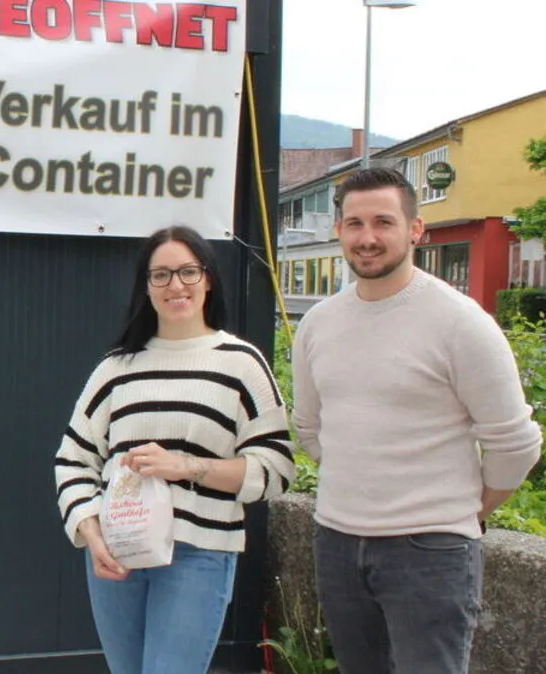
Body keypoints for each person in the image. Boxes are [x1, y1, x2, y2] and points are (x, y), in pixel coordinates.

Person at [291, 167, 543, 674]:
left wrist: (461, 513)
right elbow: (310, 428)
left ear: (415, 230)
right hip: (336, 542)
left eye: (383, 222)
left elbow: (515, 445)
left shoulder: (461, 322)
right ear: (338, 230)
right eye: (355, 223)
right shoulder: (318, 324)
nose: (367, 237)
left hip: (431, 551)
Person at [54, 225, 296, 674]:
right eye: (161, 275)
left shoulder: (241, 364)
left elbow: (276, 469)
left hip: (198, 553)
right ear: (146, 287)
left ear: (208, 279)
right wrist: (91, 531)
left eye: (188, 271)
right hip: (118, 549)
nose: (175, 285)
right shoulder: (116, 368)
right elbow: (73, 459)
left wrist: (186, 466)